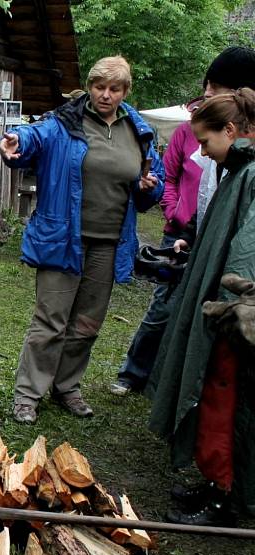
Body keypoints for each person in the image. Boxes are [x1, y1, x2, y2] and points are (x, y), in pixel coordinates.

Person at [0, 56, 164, 424]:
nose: (105, 95)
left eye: (114, 88)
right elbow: (33, 136)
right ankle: (28, 394)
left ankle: (67, 385)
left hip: (110, 242)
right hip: (62, 237)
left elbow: (153, 181)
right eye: (99, 86)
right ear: (89, 87)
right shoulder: (66, 122)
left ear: (125, 91)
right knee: (50, 320)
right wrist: (16, 142)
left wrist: (150, 186)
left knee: (87, 323)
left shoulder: (138, 132)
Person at [112, 46, 255, 396]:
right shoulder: (196, 135)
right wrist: (182, 220)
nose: (206, 92)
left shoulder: (243, 164)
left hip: (226, 269)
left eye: (216, 86)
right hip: (189, 235)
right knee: (165, 309)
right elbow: (179, 181)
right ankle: (139, 375)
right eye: (207, 84)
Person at [148, 88, 255, 526]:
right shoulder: (239, 169)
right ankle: (216, 483)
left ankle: (231, 501)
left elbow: (248, 246)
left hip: (236, 319)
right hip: (223, 308)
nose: (205, 154)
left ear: (230, 130)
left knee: (228, 405)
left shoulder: (251, 174)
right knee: (213, 397)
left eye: (207, 143)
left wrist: (236, 306)